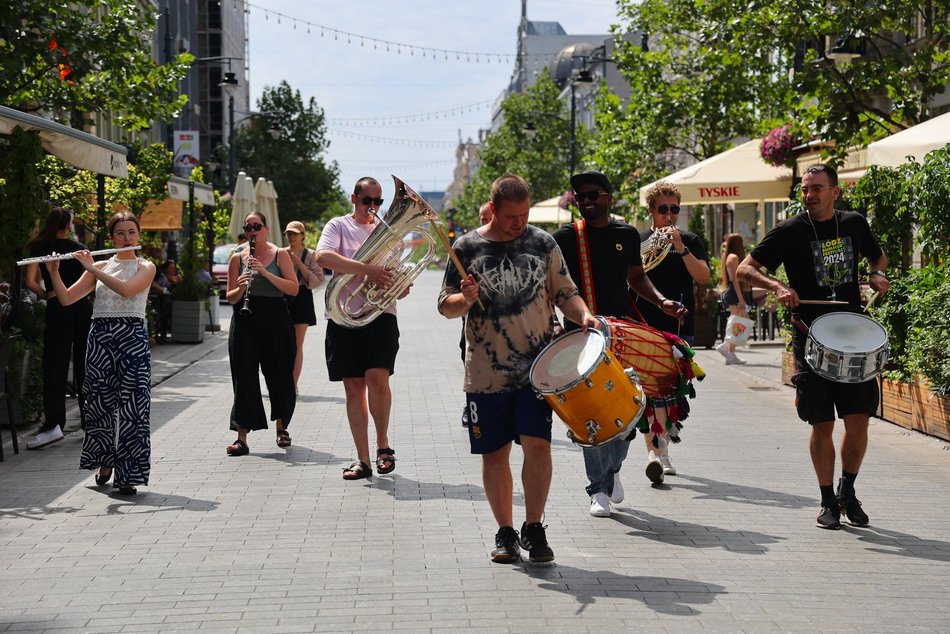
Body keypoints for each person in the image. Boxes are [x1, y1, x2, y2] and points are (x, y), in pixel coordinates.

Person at [439, 174, 599, 564]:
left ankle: (533, 526)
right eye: (512, 216)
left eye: (525, 214)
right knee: (494, 453)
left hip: (539, 368)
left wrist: (585, 317)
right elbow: (445, 306)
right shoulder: (466, 247)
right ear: (493, 209)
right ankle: (506, 532)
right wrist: (465, 297)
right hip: (486, 372)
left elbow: (566, 292)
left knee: (538, 446)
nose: (519, 223)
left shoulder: (542, 243)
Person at [737, 163, 889, 530]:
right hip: (811, 336)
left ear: (834, 192)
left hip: (854, 336)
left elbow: (877, 257)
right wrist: (777, 287)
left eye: (817, 188)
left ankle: (847, 491)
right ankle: (826, 502)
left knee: (858, 420)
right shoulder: (790, 230)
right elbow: (745, 268)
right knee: (821, 423)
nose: (810, 195)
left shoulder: (854, 223)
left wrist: (877, 274)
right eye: (805, 189)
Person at [553, 171, 686, 517]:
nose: (586, 201)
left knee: (628, 412)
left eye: (593, 194)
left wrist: (661, 302)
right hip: (579, 338)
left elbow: (636, 276)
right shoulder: (565, 239)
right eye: (580, 196)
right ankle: (597, 488)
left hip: (624, 336)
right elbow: (549, 287)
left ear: (609, 197)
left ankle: (610, 474)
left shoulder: (625, 234)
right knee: (591, 415)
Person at [47, 211, 155, 495]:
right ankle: (104, 460)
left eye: (131, 232)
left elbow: (127, 291)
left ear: (138, 235)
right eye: (120, 233)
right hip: (100, 337)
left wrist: (92, 268)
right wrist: (55, 272)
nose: (126, 237)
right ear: (112, 237)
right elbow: (66, 298)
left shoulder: (146, 265)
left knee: (134, 407)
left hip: (132, 336)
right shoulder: (103, 263)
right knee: (98, 404)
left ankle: (128, 474)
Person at [316, 177, 405, 480]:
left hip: (380, 314)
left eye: (378, 201)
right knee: (353, 387)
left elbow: (397, 279)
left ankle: (383, 446)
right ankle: (362, 459)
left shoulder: (388, 232)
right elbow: (323, 257)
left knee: (377, 379)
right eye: (368, 200)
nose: (374, 207)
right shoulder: (338, 226)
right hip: (343, 316)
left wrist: (398, 285)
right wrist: (368, 269)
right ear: (354, 198)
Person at [635, 181, 710, 484]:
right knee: (651, 393)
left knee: (669, 392)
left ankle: (660, 449)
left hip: (679, 328)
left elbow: (703, 276)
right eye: (663, 209)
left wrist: (681, 248)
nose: (669, 215)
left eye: (674, 209)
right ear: (651, 210)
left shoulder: (689, 240)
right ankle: (656, 453)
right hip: (645, 326)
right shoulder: (638, 241)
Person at [224, 212, 299, 455]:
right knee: (243, 375)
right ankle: (242, 436)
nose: (252, 231)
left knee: (278, 374)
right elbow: (230, 296)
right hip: (245, 318)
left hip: (275, 318)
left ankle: (281, 427)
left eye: (257, 226)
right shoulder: (236, 258)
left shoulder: (281, 254)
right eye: (248, 227)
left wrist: (265, 274)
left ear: (266, 228)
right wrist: (242, 286)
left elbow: (294, 289)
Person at [23, 207, 92, 449]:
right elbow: (90, 280)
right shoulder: (78, 249)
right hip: (82, 307)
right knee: (85, 366)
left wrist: (49, 295)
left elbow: (30, 282)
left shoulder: (39, 248)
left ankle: (54, 425)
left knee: (55, 366)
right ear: (68, 225)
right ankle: (90, 423)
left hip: (57, 308)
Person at [459, 201, 493, 428]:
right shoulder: (470, 246)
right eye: (483, 219)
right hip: (474, 321)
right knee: (470, 358)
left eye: (490, 217)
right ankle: (470, 405)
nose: (486, 223)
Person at [282, 220, 325, 391]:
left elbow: (317, 280)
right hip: (283, 298)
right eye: (289, 233)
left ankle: (293, 384)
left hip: (302, 298)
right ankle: (281, 380)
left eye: (294, 233)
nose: (291, 237)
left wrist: (298, 262)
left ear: (302, 236)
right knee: (282, 342)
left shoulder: (310, 255)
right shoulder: (280, 253)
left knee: (297, 343)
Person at [717, 233, 749, 365]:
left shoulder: (727, 256)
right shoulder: (734, 257)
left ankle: (727, 347)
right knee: (738, 323)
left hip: (730, 291)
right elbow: (735, 280)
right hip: (734, 292)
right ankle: (730, 352)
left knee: (737, 322)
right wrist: (741, 299)